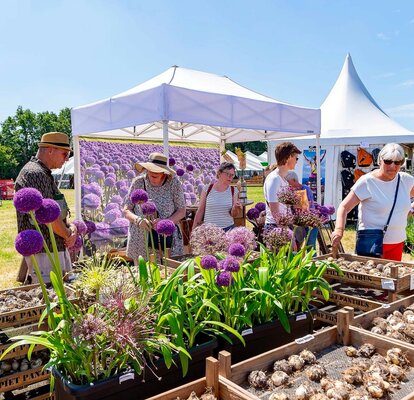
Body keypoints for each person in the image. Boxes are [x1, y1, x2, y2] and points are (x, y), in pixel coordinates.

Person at [332, 143, 414, 261]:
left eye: (397, 162)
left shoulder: (405, 180)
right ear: (380, 160)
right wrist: (339, 230)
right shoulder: (367, 181)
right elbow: (344, 207)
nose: (392, 166)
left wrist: (411, 207)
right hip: (372, 244)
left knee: (392, 278)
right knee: (374, 277)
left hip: (397, 242)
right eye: (388, 161)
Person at [15, 132, 77, 283]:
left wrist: (72, 227)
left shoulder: (42, 172)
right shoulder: (36, 174)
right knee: (49, 298)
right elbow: (48, 217)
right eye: (64, 154)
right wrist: (68, 234)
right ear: (50, 150)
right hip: (45, 252)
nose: (67, 159)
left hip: (50, 249)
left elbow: (56, 210)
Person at [123, 152, 186, 263]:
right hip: (141, 239)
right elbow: (127, 209)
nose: (152, 173)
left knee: (168, 271)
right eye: (150, 170)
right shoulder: (138, 182)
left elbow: (181, 211)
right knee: (144, 274)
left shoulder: (174, 183)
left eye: (156, 172)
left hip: (167, 238)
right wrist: (138, 220)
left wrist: (165, 223)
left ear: (164, 172)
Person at [192, 162, 241, 231]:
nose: (230, 177)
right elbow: (200, 211)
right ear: (219, 173)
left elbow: (234, 214)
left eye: (232, 175)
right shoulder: (207, 189)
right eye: (228, 174)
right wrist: (194, 230)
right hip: (209, 231)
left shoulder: (234, 190)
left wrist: (235, 208)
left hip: (227, 230)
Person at [263, 142, 302, 228]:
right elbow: (275, 211)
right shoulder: (274, 178)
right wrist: (285, 230)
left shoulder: (282, 179)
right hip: (275, 227)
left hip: (281, 226)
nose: (296, 161)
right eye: (296, 158)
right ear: (289, 157)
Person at [285, 170, 318, 250]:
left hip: (309, 222)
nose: (287, 184)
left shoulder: (306, 189)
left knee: (310, 246)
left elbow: (308, 205)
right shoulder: (289, 191)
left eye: (288, 182)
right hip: (298, 224)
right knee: (297, 245)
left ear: (294, 180)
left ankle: (312, 261)